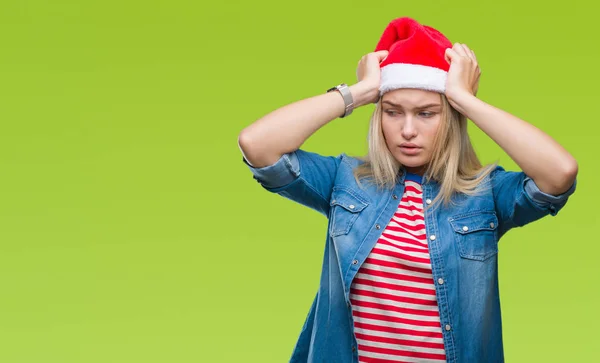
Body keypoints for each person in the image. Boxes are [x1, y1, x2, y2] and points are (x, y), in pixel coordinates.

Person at [237, 17, 577, 363]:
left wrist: (465, 100)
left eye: (427, 113)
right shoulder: (345, 180)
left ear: (451, 117)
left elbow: (559, 173)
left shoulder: (483, 194)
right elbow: (257, 145)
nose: (408, 130)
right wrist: (359, 91)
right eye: (392, 112)